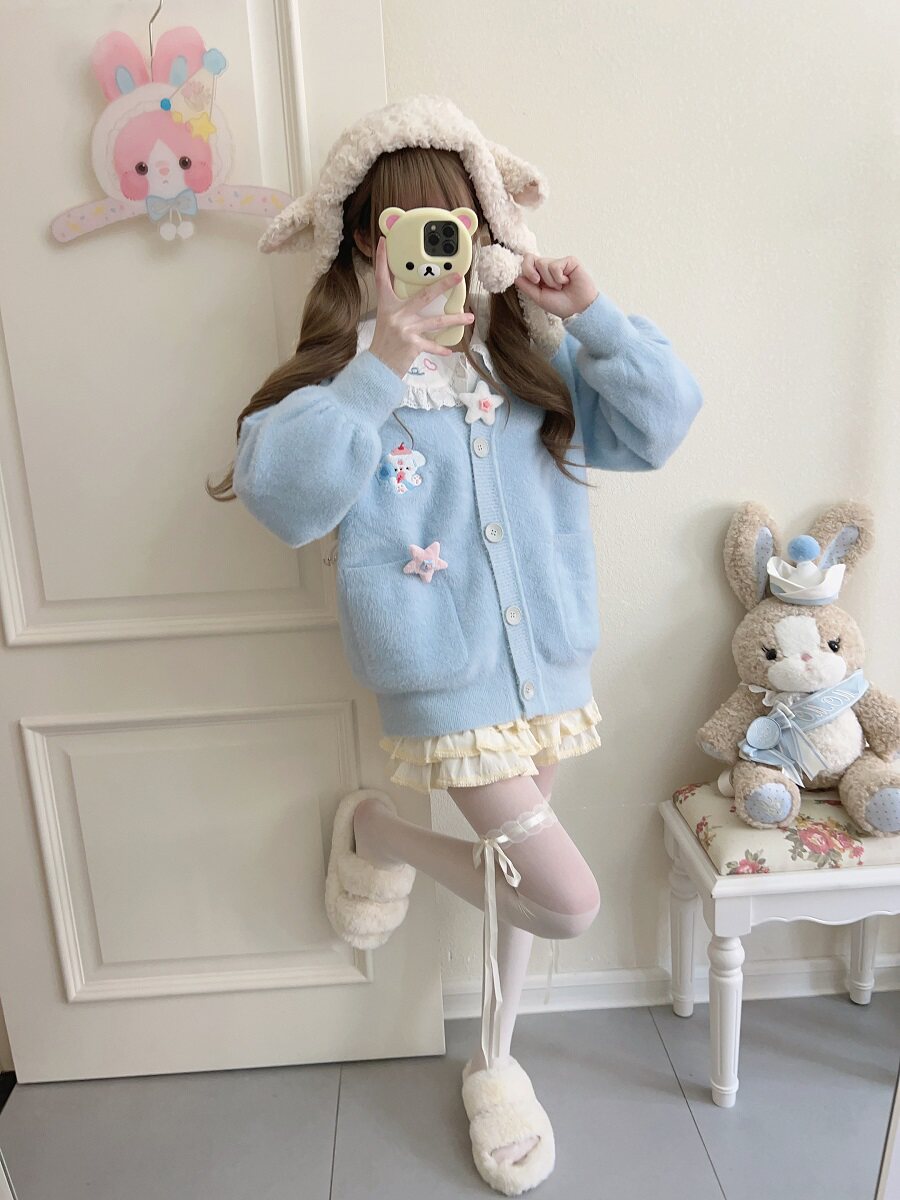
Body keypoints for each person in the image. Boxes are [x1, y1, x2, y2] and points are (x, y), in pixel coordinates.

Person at [208, 94, 702, 1196]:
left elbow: (664, 424)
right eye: (406, 228)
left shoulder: (525, 363)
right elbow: (281, 498)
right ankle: (379, 830)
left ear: (486, 230)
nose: (436, 250)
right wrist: (378, 366)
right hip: (445, 681)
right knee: (563, 899)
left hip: (551, 670)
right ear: (365, 244)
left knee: (518, 877)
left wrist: (594, 313)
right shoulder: (351, 376)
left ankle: (496, 1059)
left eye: (456, 223)